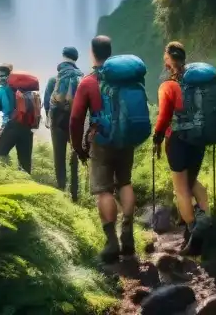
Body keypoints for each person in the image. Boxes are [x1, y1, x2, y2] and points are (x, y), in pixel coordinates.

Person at [70, 35, 137, 262]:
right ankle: (128, 236)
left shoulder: (88, 82)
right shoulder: (126, 78)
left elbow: (76, 118)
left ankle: (111, 243)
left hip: (101, 141)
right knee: (125, 182)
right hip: (126, 138)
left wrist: (78, 146)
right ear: (110, 51)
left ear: (92, 52)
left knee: (103, 190)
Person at [153, 41, 212, 255]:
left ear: (169, 59)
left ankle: (193, 230)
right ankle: (205, 217)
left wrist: (157, 138)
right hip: (199, 138)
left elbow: (164, 117)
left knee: (181, 188)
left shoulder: (169, 86)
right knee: (192, 180)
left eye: (165, 56)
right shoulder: (199, 82)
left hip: (178, 139)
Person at [44, 46, 82, 202]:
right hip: (74, 121)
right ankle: (74, 194)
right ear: (75, 60)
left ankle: (61, 191)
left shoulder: (54, 80)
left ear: (63, 57)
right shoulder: (81, 78)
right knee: (75, 154)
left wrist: (48, 117)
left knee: (59, 156)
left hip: (57, 121)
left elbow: (46, 102)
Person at [0, 63, 34, 173]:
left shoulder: (1, 91)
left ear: (8, 76)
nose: (0, 79)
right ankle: (26, 188)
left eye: (1, 76)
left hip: (9, 128)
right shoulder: (24, 89)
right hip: (26, 129)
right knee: (25, 167)